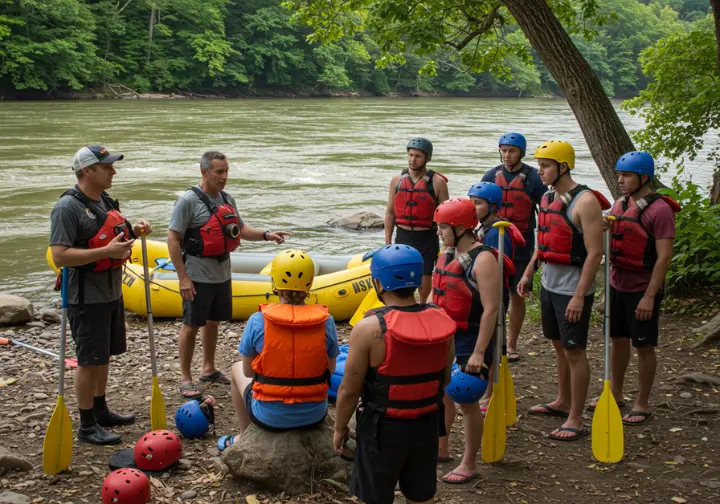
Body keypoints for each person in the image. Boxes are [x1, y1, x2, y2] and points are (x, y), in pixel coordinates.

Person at [334, 244, 456, 504]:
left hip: (382, 429)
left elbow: (348, 390)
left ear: (378, 282)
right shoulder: (442, 320)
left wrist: (340, 427)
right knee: (420, 495)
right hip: (426, 424)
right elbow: (444, 380)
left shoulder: (369, 329)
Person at [167, 151, 291, 399]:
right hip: (197, 274)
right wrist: (183, 277)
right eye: (219, 172)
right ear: (205, 172)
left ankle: (208, 368)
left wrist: (267, 235)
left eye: (226, 171)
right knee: (191, 325)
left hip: (222, 273)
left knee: (214, 322)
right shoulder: (187, 202)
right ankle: (185, 377)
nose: (224, 177)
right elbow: (172, 238)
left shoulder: (227, 198)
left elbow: (241, 229)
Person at [50, 145, 151, 445]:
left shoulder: (104, 199)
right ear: (87, 171)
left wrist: (136, 230)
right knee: (88, 360)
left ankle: (100, 409)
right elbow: (59, 256)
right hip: (85, 297)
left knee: (103, 355)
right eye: (107, 167)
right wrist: (107, 251)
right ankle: (86, 425)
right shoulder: (67, 208)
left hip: (110, 291)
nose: (113, 171)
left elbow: (117, 234)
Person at [518, 140, 610, 441]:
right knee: (558, 345)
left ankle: (576, 418)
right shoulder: (546, 198)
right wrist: (529, 270)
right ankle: (562, 400)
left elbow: (595, 253)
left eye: (545, 166)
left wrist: (580, 296)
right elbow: (543, 243)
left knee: (574, 350)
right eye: (540, 165)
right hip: (549, 284)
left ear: (563, 167)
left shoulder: (585, 202)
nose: (539, 171)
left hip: (572, 288)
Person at [217, 249, 339, 451]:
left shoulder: (258, 320)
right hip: (315, 413)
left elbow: (248, 372)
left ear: (275, 283)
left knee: (236, 368)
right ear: (309, 283)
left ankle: (243, 436)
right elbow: (331, 369)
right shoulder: (327, 321)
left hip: (268, 416)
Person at [590, 151, 678, 425]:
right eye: (619, 175)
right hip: (618, 283)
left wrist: (650, 296)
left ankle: (642, 401)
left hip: (643, 287)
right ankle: (615, 392)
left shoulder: (660, 210)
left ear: (643, 177)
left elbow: (664, 257)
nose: (620, 180)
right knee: (618, 339)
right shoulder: (620, 204)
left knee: (644, 345)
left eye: (626, 175)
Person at [432, 199, 507, 483]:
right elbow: (433, 297)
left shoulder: (483, 259)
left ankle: (469, 462)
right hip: (444, 335)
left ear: (461, 228)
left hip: (471, 336)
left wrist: (478, 353)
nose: (439, 232)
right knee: (442, 394)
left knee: (466, 397)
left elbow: (491, 309)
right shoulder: (446, 254)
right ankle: (441, 447)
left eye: (442, 227)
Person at [482, 133, 547, 362]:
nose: (507, 155)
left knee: (516, 293)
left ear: (521, 152)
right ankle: (491, 339)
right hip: (493, 240)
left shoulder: (533, 179)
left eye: (512, 151)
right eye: (504, 150)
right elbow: (478, 208)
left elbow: (547, 211)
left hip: (521, 242)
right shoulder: (491, 175)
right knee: (491, 293)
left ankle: (511, 344)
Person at [467, 181, 526, 412]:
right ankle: (487, 388)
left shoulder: (497, 233)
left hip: (495, 293)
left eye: (478, 203)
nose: (473, 207)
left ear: (492, 206)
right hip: (483, 291)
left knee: (493, 346)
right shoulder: (484, 227)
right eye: (471, 202)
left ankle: (492, 392)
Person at [385, 138, 449, 302]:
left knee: (425, 277)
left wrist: (448, 243)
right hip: (403, 235)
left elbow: (445, 215)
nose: (413, 159)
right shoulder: (397, 180)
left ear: (427, 158)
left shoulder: (438, 182)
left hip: (426, 237)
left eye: (418, 156)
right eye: (411, 155)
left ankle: (422, 305)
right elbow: (390, 213)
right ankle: (402, 304)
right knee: (400, 273)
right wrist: (387, 241)